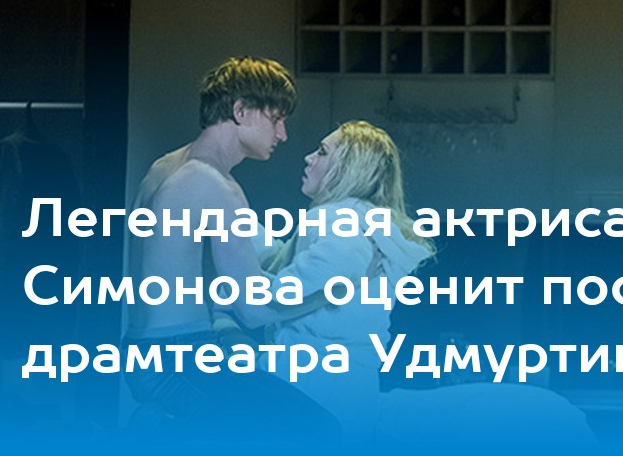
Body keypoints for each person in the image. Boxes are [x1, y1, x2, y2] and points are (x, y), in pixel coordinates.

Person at [264, 121, 594, 445]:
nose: (309, 157)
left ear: (350, 168)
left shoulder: (336, 220)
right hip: (350, 391)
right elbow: (297, 269)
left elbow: (280, 293)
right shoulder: (371, 227)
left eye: (322, 152)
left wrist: (246, 274)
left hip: (315, 394)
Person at [124, 56, 337, 439]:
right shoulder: (217, 186)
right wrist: (334, 291)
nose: (283, 134)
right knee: (320, 429)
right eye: (276, 119)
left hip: (144, 350)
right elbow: (253, 311)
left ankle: (168, 430)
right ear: (241, 111)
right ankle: (162, 432)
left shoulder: (163, 167)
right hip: (179, 360)